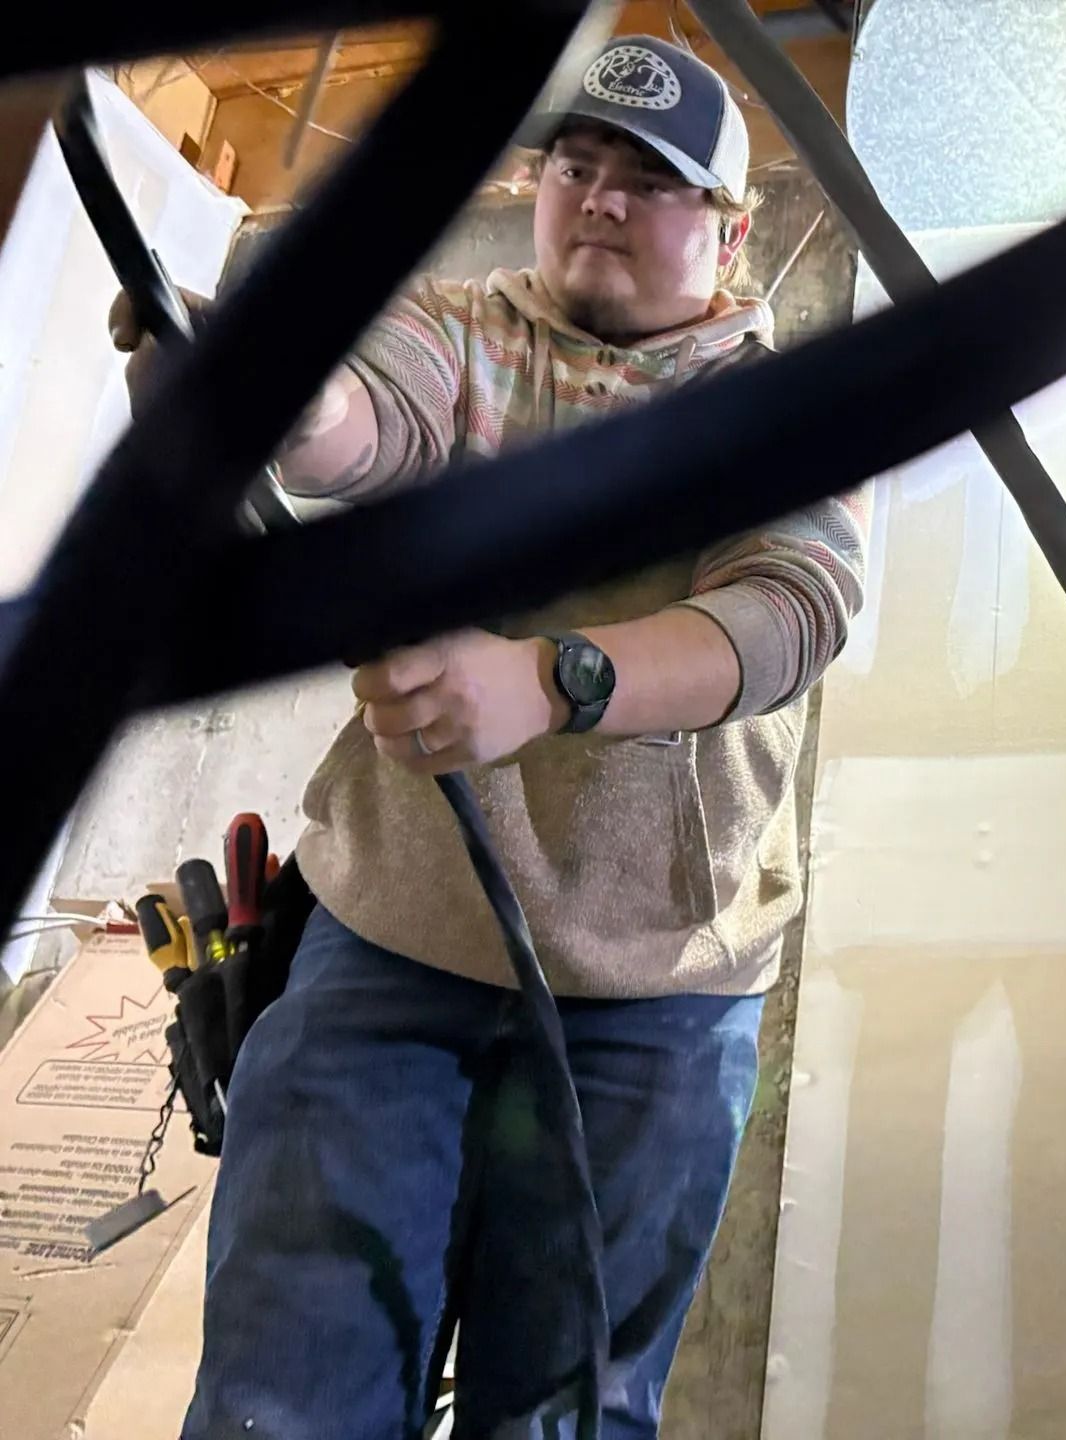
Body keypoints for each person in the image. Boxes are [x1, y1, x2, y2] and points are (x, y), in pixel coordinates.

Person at [112, 35, 867, 1440]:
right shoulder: (466, 329)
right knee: (288, 1393)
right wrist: (248, 384)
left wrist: (552, 682)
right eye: (575, 167)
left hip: (655, 987)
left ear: (731, 226)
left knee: (565, 1413)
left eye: (649, 182)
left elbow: (792, 616)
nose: (596, 200)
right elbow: (356, 425)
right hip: (391, 941)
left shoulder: (787, 407)